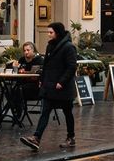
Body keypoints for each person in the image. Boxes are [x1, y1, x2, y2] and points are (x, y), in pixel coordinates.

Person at [21, 22, 77, 151]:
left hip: (62, 87)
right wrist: (42, 79)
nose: (48, 35)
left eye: (51, 32)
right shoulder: (50, 46)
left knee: (67, 112)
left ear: (57, 33)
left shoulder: (69, 47)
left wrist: (61, 82)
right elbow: (46, 65)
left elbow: (71, 67)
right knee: (45, 111)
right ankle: (36, 138)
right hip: (49, 85)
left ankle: (71, 137)